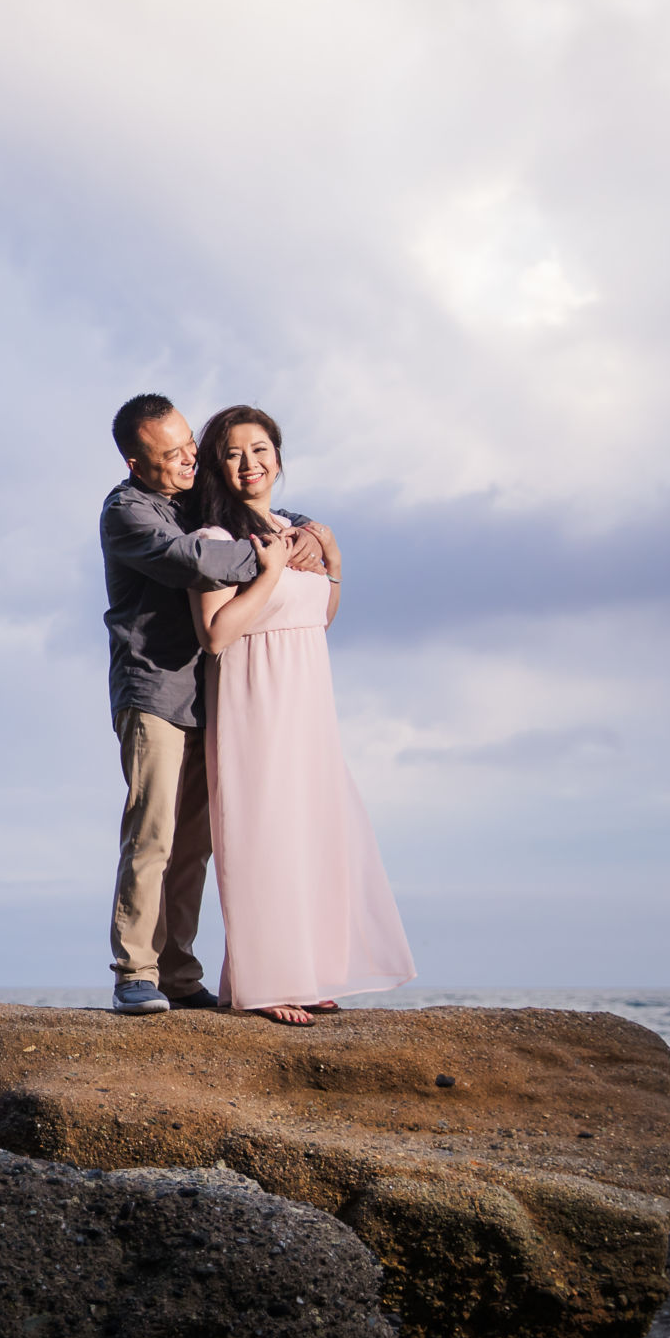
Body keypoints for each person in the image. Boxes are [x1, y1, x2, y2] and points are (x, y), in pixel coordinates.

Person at [186, 405, 415, 1023]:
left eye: (260, 450)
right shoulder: (214, 540)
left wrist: (333, 562)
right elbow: (215, 633)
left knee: (311, 826)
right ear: (217, 464)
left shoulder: (299, 531)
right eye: (233, 453)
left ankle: (307, 971)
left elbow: (318, 618)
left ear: (279, 458)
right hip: (254, 691)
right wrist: (271, 573)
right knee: (264, 826)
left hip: (308, 691)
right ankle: (264, 984)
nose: (249, 464)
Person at [96, 393, 322, 1015]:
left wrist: (307, 530)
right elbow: (191, 559)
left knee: (195, 843)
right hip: (154, 691)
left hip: (210, 695)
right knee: (154, 833)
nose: (189, 460)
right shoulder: (127, 512)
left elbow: (242, 506)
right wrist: (276, 553)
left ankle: (178, 972)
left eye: (190, 445)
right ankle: (134, 971)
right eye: (171, 456)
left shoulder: (187, 495)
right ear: (138, 465)